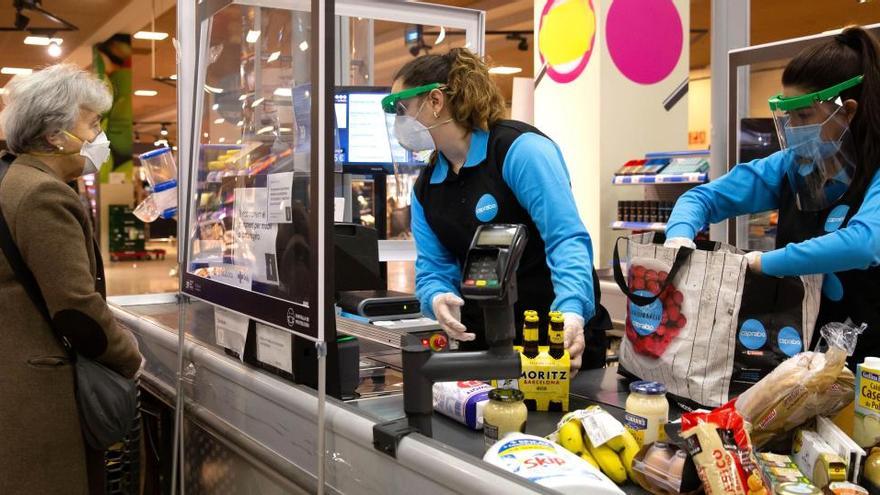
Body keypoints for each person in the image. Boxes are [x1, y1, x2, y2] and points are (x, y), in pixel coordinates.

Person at [382, 48, 610, 372]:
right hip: (484, 349)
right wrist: (436, 298)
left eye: (402, 109)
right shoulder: (426, 188)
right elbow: (433, 267)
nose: (399, 123)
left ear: (435, 101)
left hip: (555, 343)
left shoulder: (519, 151)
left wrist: (572, 311)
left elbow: (566, 239)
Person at [664, 26, 880, 369]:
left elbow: (864, 243)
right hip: (796, 364)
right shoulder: (788, 167)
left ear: (847, 111)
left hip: (868, 372)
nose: (793, 128)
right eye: (788, 116)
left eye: (804, 115)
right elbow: (702, 198)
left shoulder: (875, 174)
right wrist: (679, 235)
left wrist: (759, 263)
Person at [0, 64, 143, 494]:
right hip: (41, 391)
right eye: (93, 123)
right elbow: (75, 307)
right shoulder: (43, 194)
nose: (101, 137)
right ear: (55, 134)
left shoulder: (12, 177)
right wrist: (130, 357)